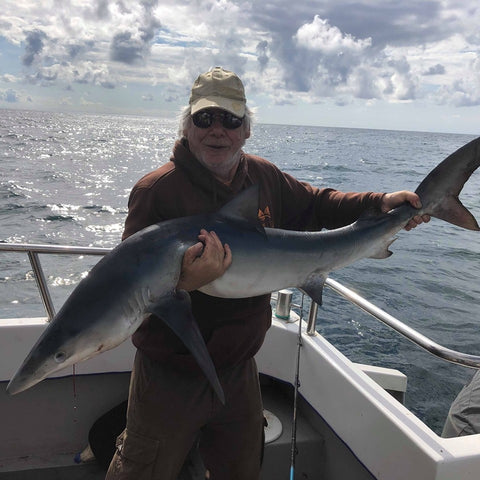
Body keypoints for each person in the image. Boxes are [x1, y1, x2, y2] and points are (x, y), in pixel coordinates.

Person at [106, 66, 430, 480]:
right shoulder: (157, 191)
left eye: (230, 119)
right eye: (205, 118)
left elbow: (318, 203)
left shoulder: (261, 177)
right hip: (169, 375)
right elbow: (123, 290)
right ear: (187, 125)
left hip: (240, 369)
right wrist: (180, 284)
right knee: (141, 471)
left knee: (242, 470)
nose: (217, 130)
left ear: (246, 129)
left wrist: (381, 202)